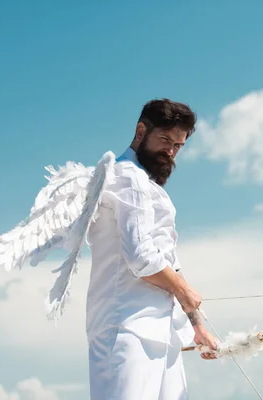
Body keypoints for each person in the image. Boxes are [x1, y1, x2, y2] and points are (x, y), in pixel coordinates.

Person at [86, 98, 218, 400]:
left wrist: (197, 326)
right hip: (125, 328)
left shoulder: (147, 184)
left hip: (162, 332)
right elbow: (141, 256)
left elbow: (167, 260)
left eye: (178, 146)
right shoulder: (126, 176)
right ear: (140, 130)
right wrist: (185, 292)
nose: (170, 152)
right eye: (165, 140)